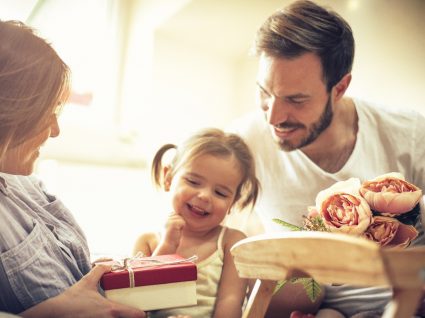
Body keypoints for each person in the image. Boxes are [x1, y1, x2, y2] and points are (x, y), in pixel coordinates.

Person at [229, 0, 425, 317]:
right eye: (265, 92)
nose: (273, 116)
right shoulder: (243, 142)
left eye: (296, 99)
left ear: (340, 87)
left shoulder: (410, 133)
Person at [0, 20, 145, 317]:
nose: (55, 131)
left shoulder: (32, 188)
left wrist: (92, 273)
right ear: (12, 110)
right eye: (49, 112)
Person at [133, 128, 260, 318]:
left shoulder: (232, 242)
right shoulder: (148, 241)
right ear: (168, 178)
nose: (204, 196)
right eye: (193, 181)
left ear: (233, 202)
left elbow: (231, 300)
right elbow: (134, 303)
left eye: (220, 193)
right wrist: (167, 246)